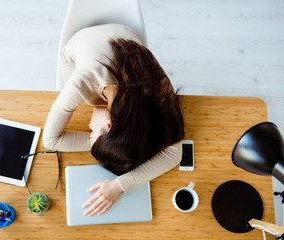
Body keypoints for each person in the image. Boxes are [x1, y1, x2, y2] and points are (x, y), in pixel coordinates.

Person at [43, 24, 184, 217]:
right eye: (92, 133)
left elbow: (174, 154)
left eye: (90, 135)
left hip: (124, 39)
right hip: (83, 46)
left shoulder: (154, 92)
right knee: (84, 100)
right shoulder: (83, 81)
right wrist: (101, 145)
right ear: (109, 125)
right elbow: (50, 141)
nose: (88, 129)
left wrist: (120, 185)